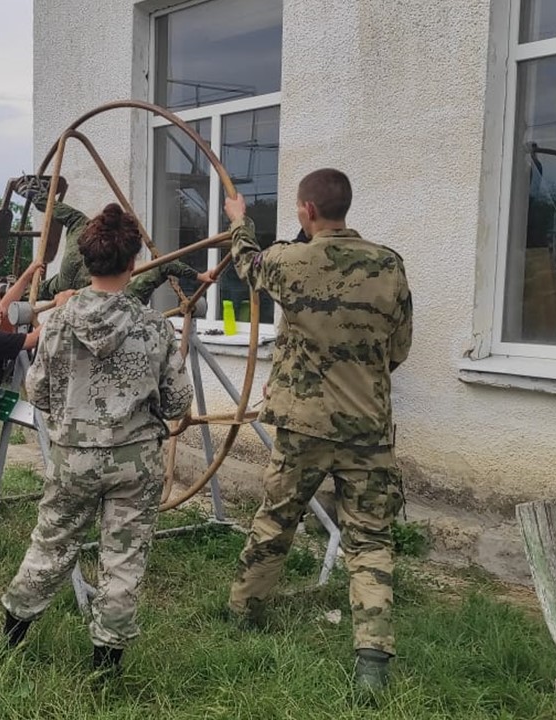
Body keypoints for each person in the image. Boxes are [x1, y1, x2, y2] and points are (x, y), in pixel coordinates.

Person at [222, 169, 412, 691]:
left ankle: (243, 613)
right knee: (371, 538)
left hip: (301, 426)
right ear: (345, 207)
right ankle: (373, 661)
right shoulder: (389, 264)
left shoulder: (289, 260)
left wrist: (240, 221)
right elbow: (398, 348)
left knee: (276, 519)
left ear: (306, 211)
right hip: (367, 429)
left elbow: (246, 265)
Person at [0, 203, 192, 675]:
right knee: (124, 557)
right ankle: (106, 667)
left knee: (51, 543)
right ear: (132, 264)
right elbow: (177, 403)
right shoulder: (153, 326)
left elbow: (38, 389)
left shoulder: (57, 323)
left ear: (86, 262)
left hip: (73, 458)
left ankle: (11, 640)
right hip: (135, 460)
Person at [11, 175, 214, 304]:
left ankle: (35, 194)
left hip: (67, 275)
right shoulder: (134, 291)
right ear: (131, 263)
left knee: (45, 288)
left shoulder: (82, 226)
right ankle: (17, 291)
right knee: (47, 289)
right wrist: (201, 276)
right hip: (83, 287)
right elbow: (165, 265)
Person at [0, 262, 72, 472]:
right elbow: (32, 340)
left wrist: (27, 275)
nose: (1, 310)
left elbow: (6, 307)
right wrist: (62, 306)